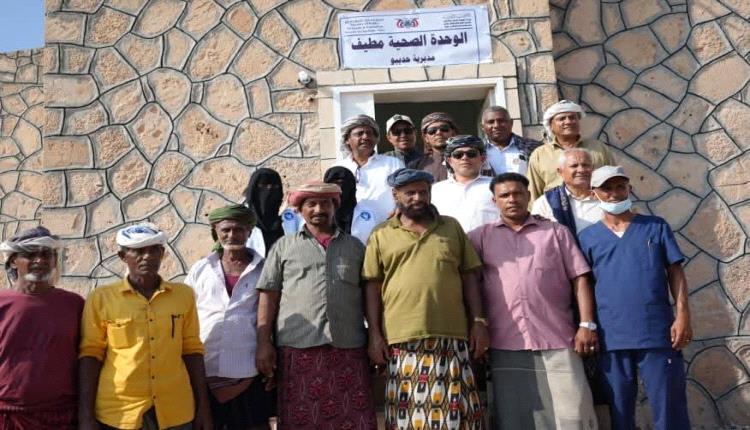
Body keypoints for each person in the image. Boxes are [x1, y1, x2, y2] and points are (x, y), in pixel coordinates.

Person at [467, 173, 598, 429]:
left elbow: (580, 278)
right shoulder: (480, 237)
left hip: (558, 336)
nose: (512, 199)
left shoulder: (555, 232)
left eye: (517, 193)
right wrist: (478, 323)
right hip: (506, 340)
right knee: (515, 417)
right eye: (505, 195)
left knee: (573, 411)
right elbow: (470, 282)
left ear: (528, 196)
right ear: (494, 201)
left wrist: (586, 324)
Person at [363, 168, 488, 429]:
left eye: (423, 192)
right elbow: (372, 286)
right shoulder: (381, 233)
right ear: (395, 195)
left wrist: (478, 322)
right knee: (408, 416)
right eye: (410, 193)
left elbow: (469, 277)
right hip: (401, 338)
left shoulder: (450, 227)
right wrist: (374, 335)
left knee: (456, 415)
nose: (418, 198)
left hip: (451, 335)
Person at [255, 182, 377, 430]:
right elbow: (268, 296)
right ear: (300, 210)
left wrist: (375, 335)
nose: (319, 209)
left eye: (325, 203)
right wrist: (263, 342)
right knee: (301, 420)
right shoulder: (283, 247)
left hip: (348, 347)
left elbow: (369, 295)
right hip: (298, 348)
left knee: (353, 419)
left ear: (334, 207)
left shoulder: (355, 247)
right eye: (311, 204)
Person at [578, 166, 692, 430]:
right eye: (607, 188)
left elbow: (675, 271)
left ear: (629, 188)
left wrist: (683, 316)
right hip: (612, 334)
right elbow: (583, 284)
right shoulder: (587, 238)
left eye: (620, 186)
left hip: (658, 332)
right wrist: (587, 325)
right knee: (620, 411)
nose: (614, 193)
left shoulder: (655, 227)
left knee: (669, 407)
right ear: (594, 194)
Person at [79, 223, 211, 430]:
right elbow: (91, 354)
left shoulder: (183, 295)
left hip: (175, 409)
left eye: (154, 250)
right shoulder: (102, 298)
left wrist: (203, 407)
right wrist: (85, 415)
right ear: (123, 256)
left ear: (162, 254)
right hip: (120, 412)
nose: (147, 257)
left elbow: (192, 349)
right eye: (139, 251)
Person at [186, 205, 273, 430]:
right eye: (226, 230)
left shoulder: (264, 269)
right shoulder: (201, 269)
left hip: (248, 367)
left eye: (238, 229)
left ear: (249, 232)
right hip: (205, 366)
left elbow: (273, 313)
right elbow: (187, 312)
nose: (232, 235)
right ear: (216, 232)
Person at [0, 227, 83, 429]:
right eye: (30, 254)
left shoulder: (74, 305)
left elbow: (87, 358)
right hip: (7, 416)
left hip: (61, 418)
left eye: (46, 254)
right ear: (13, 261)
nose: (40, 260)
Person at [527, 100, 615, 202]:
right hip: (555, 209)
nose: (568, 122)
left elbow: (614, 180)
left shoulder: (598, 148)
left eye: (572, 117)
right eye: (562, 119)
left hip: (595, 206)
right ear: (551, 125)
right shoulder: (540, 155)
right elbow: (533, 192)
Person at [335, 114, 404, 223]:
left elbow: (405, 193)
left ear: (376, 139)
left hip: (387, 227)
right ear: (347, 139)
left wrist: (399, 208)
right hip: (349, 229)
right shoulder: (339, 169)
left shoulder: (393, 164)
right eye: (359, 133)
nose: (365, 137)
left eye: (369, 133)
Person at [431, 135, 498, 232]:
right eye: (458, 155)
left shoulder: (497, 186)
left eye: (471, 154)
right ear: (449, 161)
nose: (465, 158)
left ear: (483, 159)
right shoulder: (436, 190)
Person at [531, 148, 603, 236]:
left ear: (593, 169)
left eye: (585, 165)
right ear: (560, 171)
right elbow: (538, 236)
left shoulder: (606, 197)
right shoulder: (546, 203)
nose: (581, 170)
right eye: (574, 166)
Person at [323, 166, 381, 244]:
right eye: (332, 184)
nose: (337, 188)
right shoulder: (320, 216)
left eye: (340, 183)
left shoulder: (369, 214)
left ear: (351, 185)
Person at [480, 106, 541, 176]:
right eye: (491, 122)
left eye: (501, 121)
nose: (496, 125)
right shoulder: (476, 152)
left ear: (511, 123)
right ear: (482, 127)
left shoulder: (533, 147)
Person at [243, 168, 285, 257]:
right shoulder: (239, 221)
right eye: (263, 185)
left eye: (275, 187)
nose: (269, 191)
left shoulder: (289, 220)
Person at [408, 112, 459, 181]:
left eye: (444, 128)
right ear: (426, 138)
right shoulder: (415, 166)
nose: (438, 133)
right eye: (432, 131)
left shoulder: (467, 158)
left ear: (453, 133)